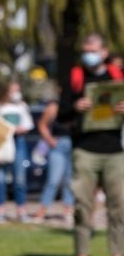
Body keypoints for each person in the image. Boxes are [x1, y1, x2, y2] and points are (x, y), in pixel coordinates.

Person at [58, 33, 124, 256]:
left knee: (119, 208)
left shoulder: (118, 77)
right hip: (84, 149)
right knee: (82, 207)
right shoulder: (75, 78)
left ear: (104, 52)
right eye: (86, 50)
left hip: (115, 151)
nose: (89, 54)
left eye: (94, 50)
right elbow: (60, 115)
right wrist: (75, 106)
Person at [0, 80, 34, 223]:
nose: (16, 93)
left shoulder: (22, 106)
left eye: (18, 90)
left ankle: (21, 210)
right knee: (0, 179)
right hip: (2, 143)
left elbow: (29, 124)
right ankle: (0, 210)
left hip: (18, 142)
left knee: (20, 178)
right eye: (13, 90)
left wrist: (19, 129)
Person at [33, 85, 76, 225]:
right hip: (58, 145)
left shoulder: (77, 106)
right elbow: (42, 124)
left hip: (74, 145)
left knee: (70, 181)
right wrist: (50, 140)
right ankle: (42, 210)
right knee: (53, 180)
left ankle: (68, 210)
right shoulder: (53, 107)